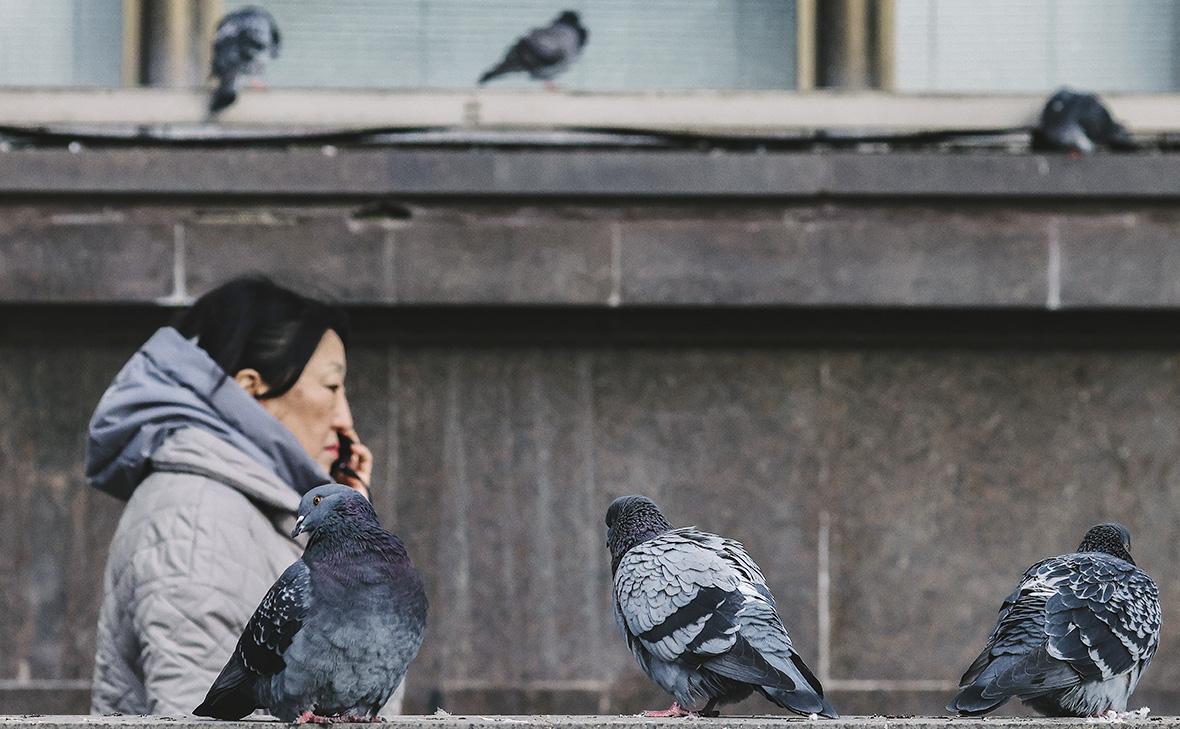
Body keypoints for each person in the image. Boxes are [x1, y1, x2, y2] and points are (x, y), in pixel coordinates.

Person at [86, 277, 392, 716]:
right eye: (331, 387)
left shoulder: (247, 503)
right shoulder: (196, 517)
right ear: (250, 388)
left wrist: (355, 516)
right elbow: (205, 717)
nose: (345, 417)